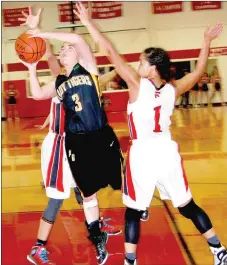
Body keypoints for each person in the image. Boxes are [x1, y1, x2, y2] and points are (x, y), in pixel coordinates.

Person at [74, 3, 226, 265]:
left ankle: (130, 261)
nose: (138, 64)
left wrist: (88, 22)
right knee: (187, 205)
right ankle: (219, 250)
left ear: (152, 67)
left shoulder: (136, 84)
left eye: (142, 62)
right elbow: (199, 71)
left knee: (133, 209)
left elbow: (109, 51)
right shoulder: (173, 88)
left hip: (143, 152)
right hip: (167, 150)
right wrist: (205, 42)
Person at [19, 7, 122, 265]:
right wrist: (31, 67)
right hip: (73, 141)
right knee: (82, 193)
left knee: (98, 187)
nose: (64, 49)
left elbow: (76, 39)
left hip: (98, 137)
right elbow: (37, 94)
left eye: (67, 49)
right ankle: (93, 235)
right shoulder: (59, 82)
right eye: (61, 50)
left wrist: (39, 31)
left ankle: (96, 224)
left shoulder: (87, 67)